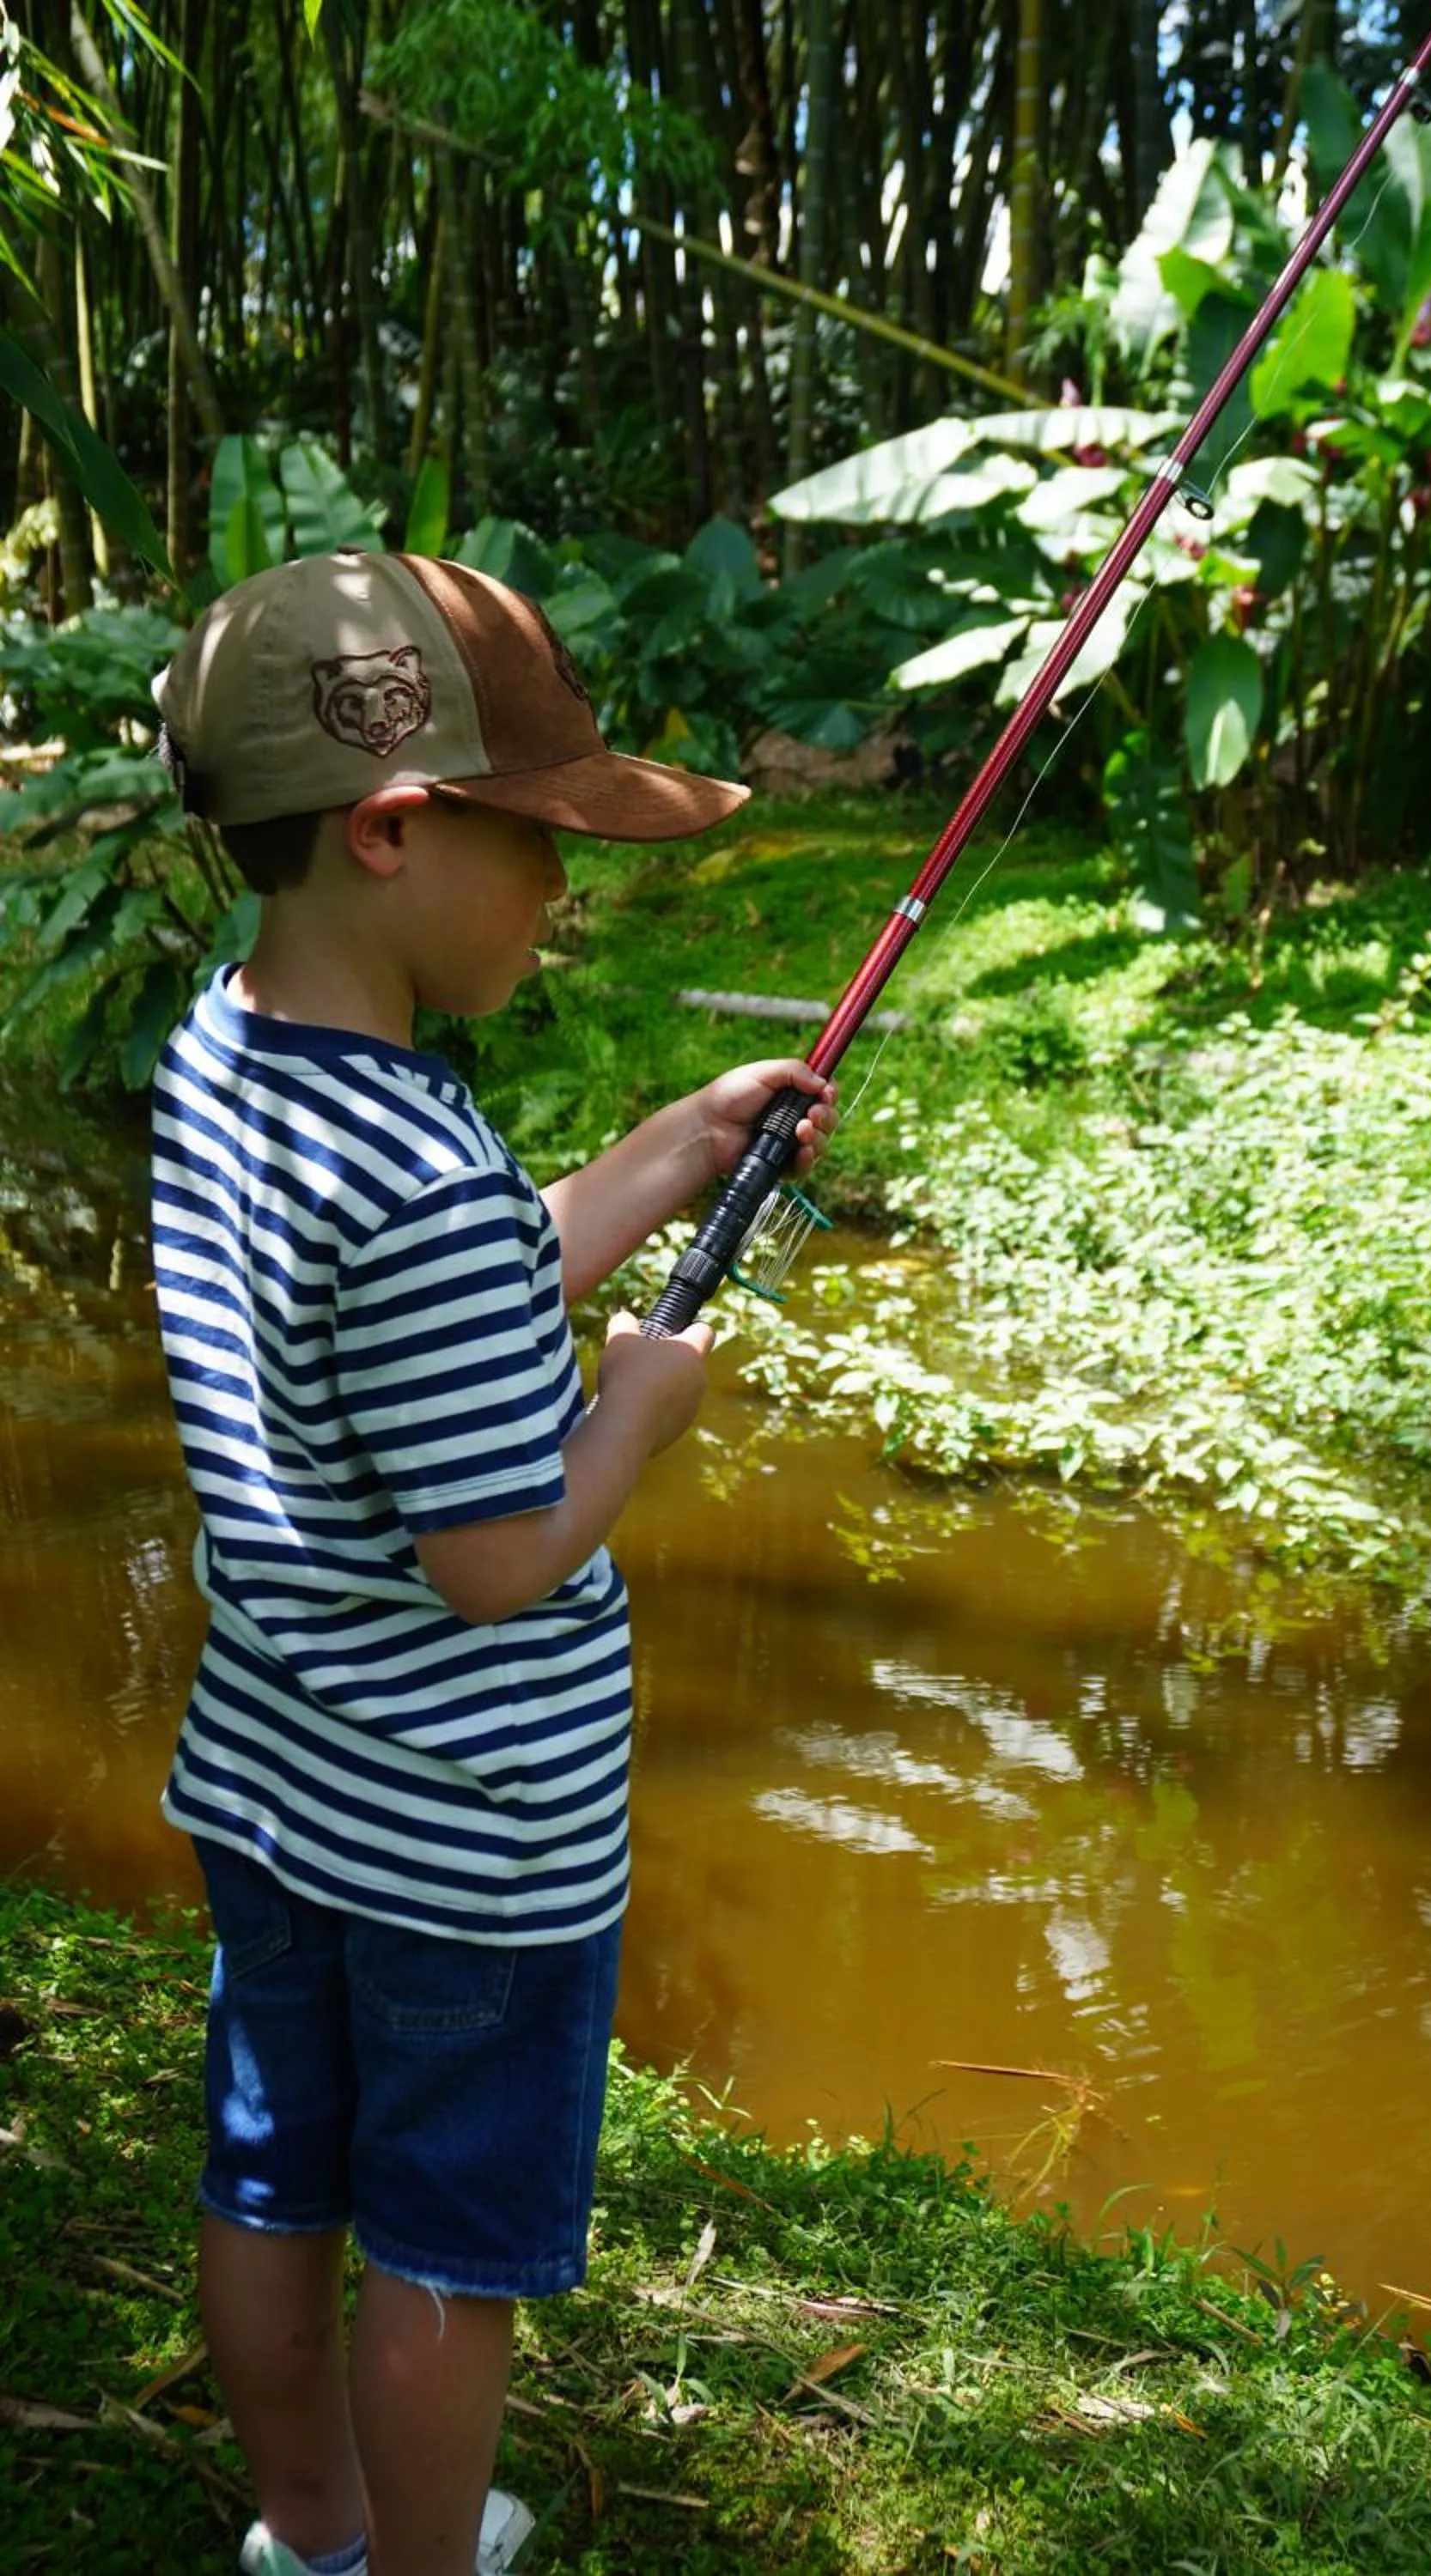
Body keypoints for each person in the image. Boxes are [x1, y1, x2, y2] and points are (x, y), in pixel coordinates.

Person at [147, 550, 837, 2576]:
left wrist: (660, 1154)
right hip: (470, 1835)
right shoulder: (428, 1180)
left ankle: (312, 2539)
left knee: (273, 2177)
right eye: (539, 844)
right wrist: (633, 1410)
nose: (566, 888)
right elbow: (489, 1557)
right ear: (389, 830)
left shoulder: (233, 1068)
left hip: (276, 1787)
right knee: (446, 2250)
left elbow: (411, 1324)